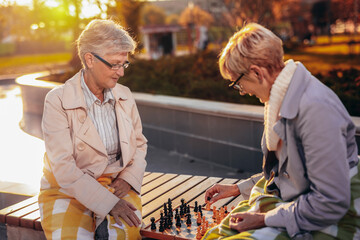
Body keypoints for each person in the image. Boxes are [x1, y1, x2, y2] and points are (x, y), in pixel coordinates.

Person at [203, 23, 360, 239]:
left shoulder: (316, 110)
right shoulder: (280, 101)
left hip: (335, 217)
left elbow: (331, 202)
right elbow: (290, 174)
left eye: (238, 84)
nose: (242, 92)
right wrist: (239, 189)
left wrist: (264, 219)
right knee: (214, 235)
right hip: (301, 205)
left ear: (257, 73)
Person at [38, 19, 147, 240]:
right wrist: (108, 204)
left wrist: (127, 179)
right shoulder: (57, 100)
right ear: (89, 59)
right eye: (115, 64)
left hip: (117, 185)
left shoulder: (124, 95)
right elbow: (63, 167)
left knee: (121, 235)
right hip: (65, 191)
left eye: (124, 64)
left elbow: (139, 144)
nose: (121, 72)